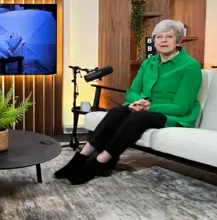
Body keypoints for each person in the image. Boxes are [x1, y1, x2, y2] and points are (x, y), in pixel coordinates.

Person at [54, 19, 202, 185]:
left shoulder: (190, 66)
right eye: (159, 37)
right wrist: (137, 102)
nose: (163, 40)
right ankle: (81, 158)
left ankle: (101, 160)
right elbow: (132, 91)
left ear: (178, 40)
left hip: (170, 114)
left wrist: (148, 106)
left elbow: (181, 107)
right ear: (154, 41)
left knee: (138, 118)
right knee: (117, 111)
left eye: (169, 36)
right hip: (144, 108)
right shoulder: (149, 63)